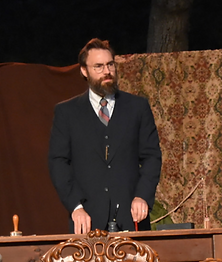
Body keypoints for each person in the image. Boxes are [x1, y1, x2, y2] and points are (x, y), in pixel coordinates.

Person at [48, 38, 163, 234]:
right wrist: (76, 207)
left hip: (131, 219)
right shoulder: (67, 113)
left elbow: (152, 156)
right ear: (84, 71)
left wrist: (142, 196)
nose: (107, 71)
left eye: (110, 65)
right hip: (88, 221)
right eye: (98, 67)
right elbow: (58, 162)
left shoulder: (137, 107)